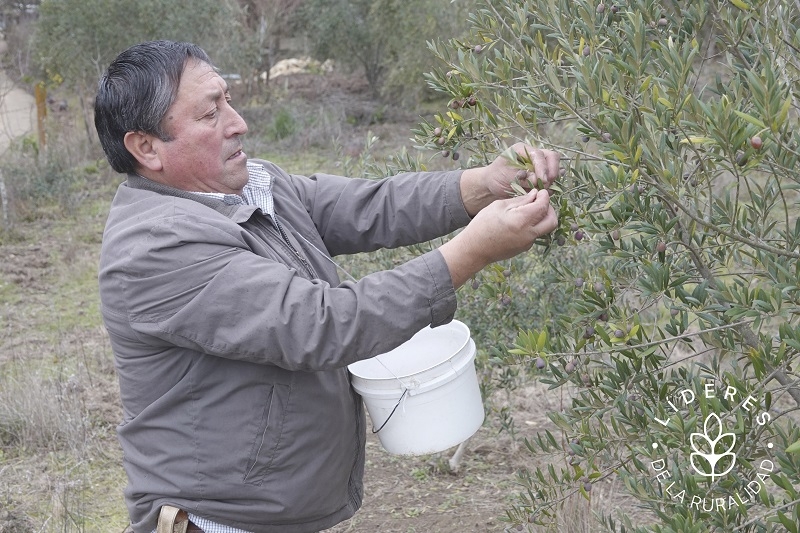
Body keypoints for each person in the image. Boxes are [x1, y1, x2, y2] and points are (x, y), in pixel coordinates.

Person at [96, 40, 559, 533]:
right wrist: (471, 252)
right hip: (219, 521)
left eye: (227, 99)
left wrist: (485, 183)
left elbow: (369, 206)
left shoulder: (252, 187)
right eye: (210, 114)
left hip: (275, 512)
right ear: (146, 147)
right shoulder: (155, 247)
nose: (237, 122)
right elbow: (321, 324)